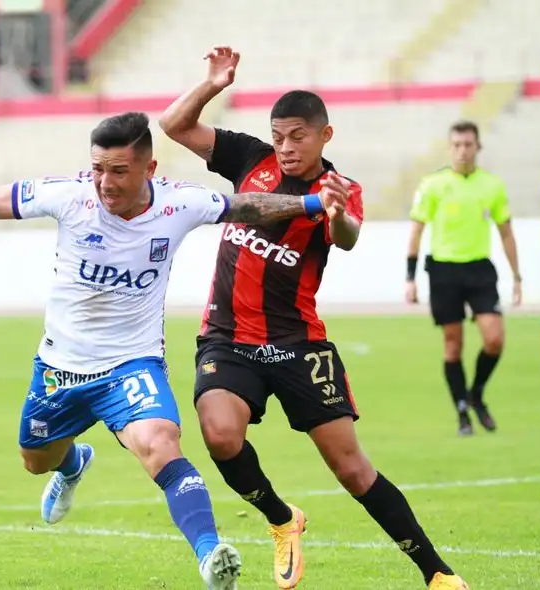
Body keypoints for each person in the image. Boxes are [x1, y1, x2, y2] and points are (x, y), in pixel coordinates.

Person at [0, 111, 351, 589]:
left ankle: (210, 555)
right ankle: (73, 465)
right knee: (35, 460)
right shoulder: (70, 196)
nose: (105, 183)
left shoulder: (180, 204)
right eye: (97, 169)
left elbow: (246, 206)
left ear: (149, 169)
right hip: (59, 369)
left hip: (131, 366)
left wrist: (315, 205)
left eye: (118, 171)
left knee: (161, 445)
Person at [160, 47, 469, 590]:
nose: (284, 147)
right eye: (278, 136)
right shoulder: (249, 158)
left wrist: (338, 212)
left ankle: (437, 573)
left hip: (298, 342)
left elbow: (346, 238)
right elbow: (173, 125)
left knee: (352, 469)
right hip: (228, 339)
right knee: (220, 435)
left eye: (297, 137)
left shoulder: (340, 189)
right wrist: (212, 84)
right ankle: (282, 518)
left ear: (325, 136)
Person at [405, 120, 522, 436]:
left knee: (494, 339)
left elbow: (506, 233)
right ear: (449, 148)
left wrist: (517, 276)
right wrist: (410, 277)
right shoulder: (433, 184)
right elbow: (416, 231)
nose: (462, 151)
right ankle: (462, 413)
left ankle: (476, 393)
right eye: (456, 145)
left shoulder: (492, 186)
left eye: (468, 144)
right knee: (453, 345)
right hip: (444, 270)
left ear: (478, 147)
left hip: (479, 269)